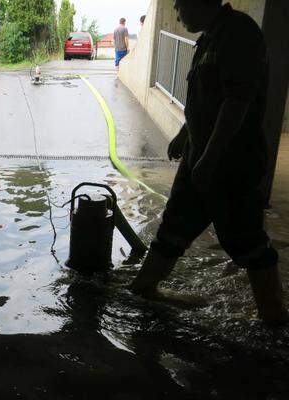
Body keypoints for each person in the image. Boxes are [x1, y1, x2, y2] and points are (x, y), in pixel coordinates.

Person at [130, 0, 287, 325]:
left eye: (180, 4)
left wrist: (211, 156)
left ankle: (273, 317)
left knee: (245, 239)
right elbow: (208, 99)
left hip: (230, 165)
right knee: (174, 227)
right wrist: (185, 134)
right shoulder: (210, 38)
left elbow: (236, 102)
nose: (176, 10)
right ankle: (144, 288)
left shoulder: (238, 34)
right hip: (199, 159)